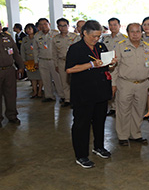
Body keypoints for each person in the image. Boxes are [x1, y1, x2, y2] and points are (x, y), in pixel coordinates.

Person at [65, 20, 117, 169]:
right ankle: (81, 155)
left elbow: (105, 64)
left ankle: (99, 147)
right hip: (83, 93)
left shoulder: (101, 46)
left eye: (98, 36)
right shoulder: (76, 48)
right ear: (84, 33)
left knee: (100, 121)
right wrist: (91, 64)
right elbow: (69, 69)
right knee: (82, 124)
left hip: (100, 90)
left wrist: (111, 63)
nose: (96, 39)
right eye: (93, 36)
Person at [112, 23, 149, 146]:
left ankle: (135, 134)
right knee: (123, 110)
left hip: (143, 84)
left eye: (138, 31)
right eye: (132, 31)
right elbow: (115, 67)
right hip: (125, 83)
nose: (135, 34)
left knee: (138, 110)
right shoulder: (121, 46)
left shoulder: (148, 47)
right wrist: (113, 84)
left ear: (141, 32)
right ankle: (123, 136)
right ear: (127, 33)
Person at [0, 16, 24, 128]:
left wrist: (21, 67)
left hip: (9, 71)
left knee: (11, 95)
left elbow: (16, 53)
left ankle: (12, 116)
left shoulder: (7, 37)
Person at [100, 17, 128, 116]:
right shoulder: (105, 38)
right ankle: (112, 107)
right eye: (110, 25)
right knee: (109, 87)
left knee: (117, 87)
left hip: (118, 66)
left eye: (115, 25)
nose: (112, 27)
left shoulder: (124, 38)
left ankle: (118, 108)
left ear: (119, 26)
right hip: (107, 66)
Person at [33, 18, 65, 102]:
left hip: (54, 60)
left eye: (45, 24)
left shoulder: (55, 34)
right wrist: (36, 61)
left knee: (58, 79)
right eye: (41, 24)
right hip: (42, 60)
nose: (43, 26)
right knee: (45, 79)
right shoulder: (37, 35)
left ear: (49, 24)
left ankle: (62, 96)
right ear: (38, 26)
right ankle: (49, 96)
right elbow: (35, 50)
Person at [52, 18, 81, 107]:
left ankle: (75, 99)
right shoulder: (55, 38)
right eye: (60, 26)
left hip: (73, 62)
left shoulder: (74, 36)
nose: (63, 28)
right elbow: (54, 53)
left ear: (68, 26)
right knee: (64, 82)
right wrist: (56, 65)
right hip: (62, 62)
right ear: (58, 27)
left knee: (75, 82)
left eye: (65, 25)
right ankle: (67, 99)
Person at [21, 23, 43, 98]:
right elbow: (22, 51)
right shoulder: (25, 39)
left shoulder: (37, 37)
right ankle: (34, 91)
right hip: (29, 60)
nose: (28, 30)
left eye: (30, 29)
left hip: (38, 59)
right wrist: (23, 60)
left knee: (39, 77)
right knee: (32, 77)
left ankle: (40, 91)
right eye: (27, 29)